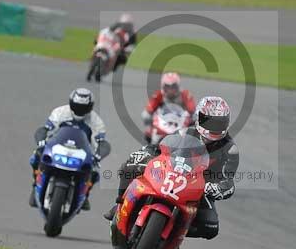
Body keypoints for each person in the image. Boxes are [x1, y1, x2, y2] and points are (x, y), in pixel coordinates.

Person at [103, 96, 238, 240]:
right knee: (129, 167)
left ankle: (175, 231)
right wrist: (145, 154)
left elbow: (227, 179)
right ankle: (119, 204)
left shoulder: (230, 149)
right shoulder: (185, 132)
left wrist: (217, 188)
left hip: (200, 187)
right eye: (209, 121)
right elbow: (159, 147)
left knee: (210, 228)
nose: (213, 127)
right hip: (172, 172)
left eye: (218, 123)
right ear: (199, 118)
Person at [29, 88, 110, 211]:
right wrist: (41, 143)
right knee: (36, 156)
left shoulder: (96, 121)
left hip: (81, 153)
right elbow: (45, 129)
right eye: (77, 106)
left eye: (83, 107)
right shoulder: (60, 112)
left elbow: (101, 142)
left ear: (90, 107)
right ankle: (36, 185)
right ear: (71, 103)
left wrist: (98, 155)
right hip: (57, 148)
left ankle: (85, 194)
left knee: (94, 172)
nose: (79, 110)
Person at [141, 72, 196, 142]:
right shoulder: (158, 94)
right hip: (163, 121)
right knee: (146, 117)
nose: (170, 90)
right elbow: (148, 110)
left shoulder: (185, 94)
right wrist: (150, 118)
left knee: (195, 122)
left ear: (178, 86)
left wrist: (191, 118)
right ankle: (152, 142)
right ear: (163, 86)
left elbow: (192, 110)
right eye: (167, 87)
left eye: (173, 87)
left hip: (180, 122)